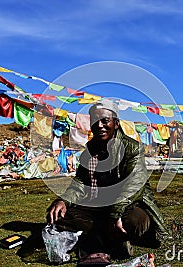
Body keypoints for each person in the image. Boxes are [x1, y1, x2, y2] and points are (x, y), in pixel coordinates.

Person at [46, 99, 169, 260]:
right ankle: (112, 237)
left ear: (116, 123)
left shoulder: (132, 148)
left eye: (105, 121)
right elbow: (80, 183)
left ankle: (104, 234)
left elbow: (133, 187)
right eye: (95, 121)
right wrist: (63, 201)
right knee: (57, 215)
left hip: (127, 205)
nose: (99, 126)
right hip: (98, 206)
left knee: (136, 222)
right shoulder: (88, 152)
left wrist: (114, 215)